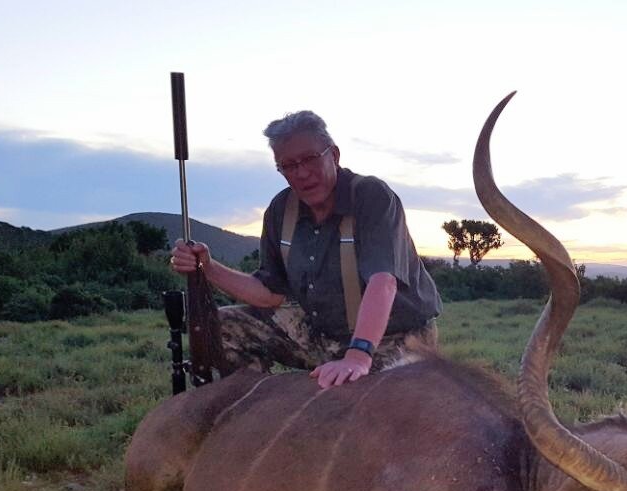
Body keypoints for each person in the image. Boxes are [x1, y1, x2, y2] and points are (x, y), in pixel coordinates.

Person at [170, 111, 441, 388]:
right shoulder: (280, 210)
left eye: (310, 159)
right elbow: (269, 295)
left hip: (395, 338)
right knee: (220, 326)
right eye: (287, 165)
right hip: (321, 334)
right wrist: (208, 267)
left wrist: (358, 355)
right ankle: (253, 411)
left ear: (333, 155)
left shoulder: (371, 196)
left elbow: (383, 282)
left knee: (362, 406)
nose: (301, 173)